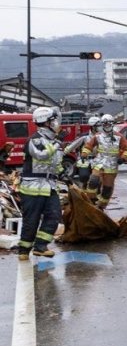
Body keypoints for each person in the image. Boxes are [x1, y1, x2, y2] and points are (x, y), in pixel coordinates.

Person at [17, 107, 65, 260]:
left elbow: (55, 163)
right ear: (45, 122)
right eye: (53, 121)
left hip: (49, 185)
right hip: (32, 186)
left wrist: (62, 173)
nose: (56, 123)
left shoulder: (53, 140)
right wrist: (58, 144)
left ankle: (40, 246)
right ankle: (24, 251)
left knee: (55, 215)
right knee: (32, 219)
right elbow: (42, 155)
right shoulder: (35, 139)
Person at [81, 114, 127, 210]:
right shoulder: (98, 136)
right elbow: (89, 146)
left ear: (112, 124)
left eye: (109, 124)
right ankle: (91, 200)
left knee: (107, 189)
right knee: (93, 181)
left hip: (112, 165)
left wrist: (123, 158)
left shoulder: (119, 137)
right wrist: (84, 154)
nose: (107, 126)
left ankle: (101, 206)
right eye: (105, 124)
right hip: (99, 162)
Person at [64, 116, 100, 189]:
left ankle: (96, 194)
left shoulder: (102, 137)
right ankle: (85, 189)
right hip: (85, 161)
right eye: (98, 126)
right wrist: (63, 153)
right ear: (93, 127)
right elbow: (72, 146)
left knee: (97, 180)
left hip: (98, 161)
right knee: (84, 176)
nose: (100, 127)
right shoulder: (84, 137)